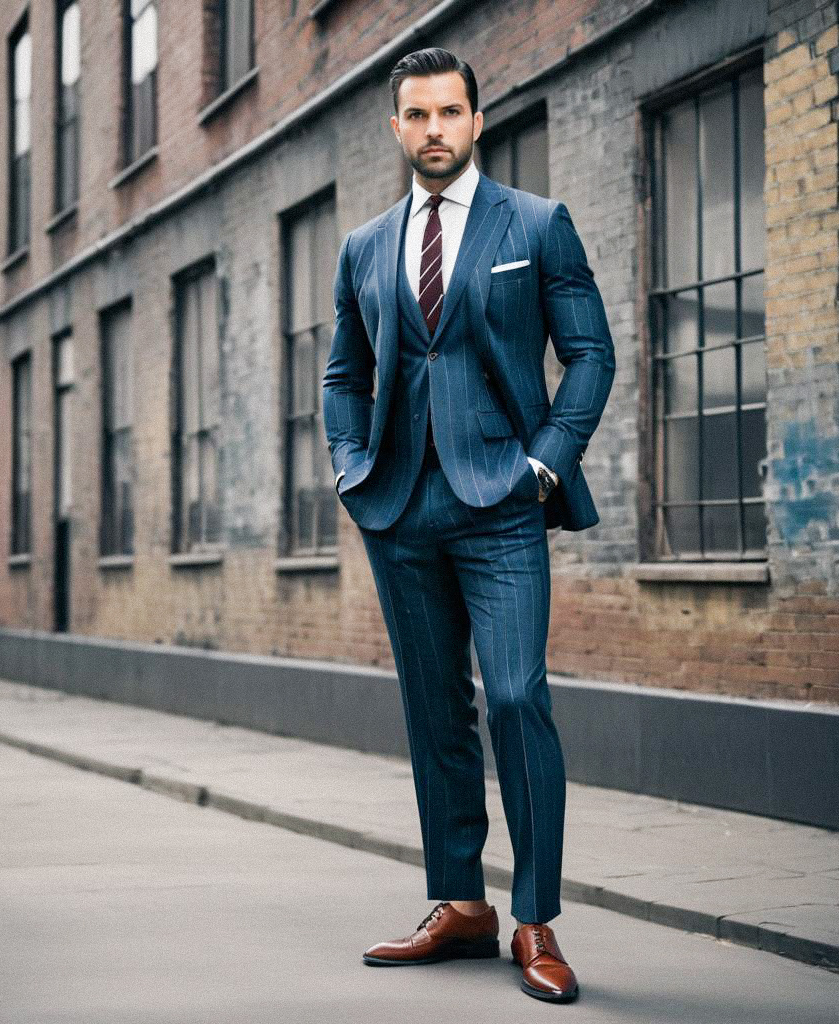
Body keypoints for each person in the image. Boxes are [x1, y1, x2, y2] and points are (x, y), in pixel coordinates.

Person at [321, 46, 615, 1004]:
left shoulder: (536, 224)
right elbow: (341, 374)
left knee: (520, 696)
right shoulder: (364, 246)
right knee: (435, 712)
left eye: (451, 112)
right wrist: (347, 464)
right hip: (400, 507)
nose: (435, 129)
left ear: (477, 120)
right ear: (397, 127)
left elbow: (592, 354)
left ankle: (534, 919)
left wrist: (545, 463)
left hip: (502, 505)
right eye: (418, 114)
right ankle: (460, 905)